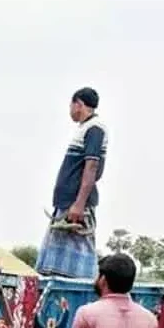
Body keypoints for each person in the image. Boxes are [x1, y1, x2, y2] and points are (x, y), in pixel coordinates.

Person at [35, 87, 108, 279]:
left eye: (71, 105)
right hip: (66, 202)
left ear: (79, 104)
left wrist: (79, 203)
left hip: (76, 206)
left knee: (81, 262)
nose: (70, 110)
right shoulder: (84, 128)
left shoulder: (95, 128)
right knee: (52, 262)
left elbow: (91, 166)